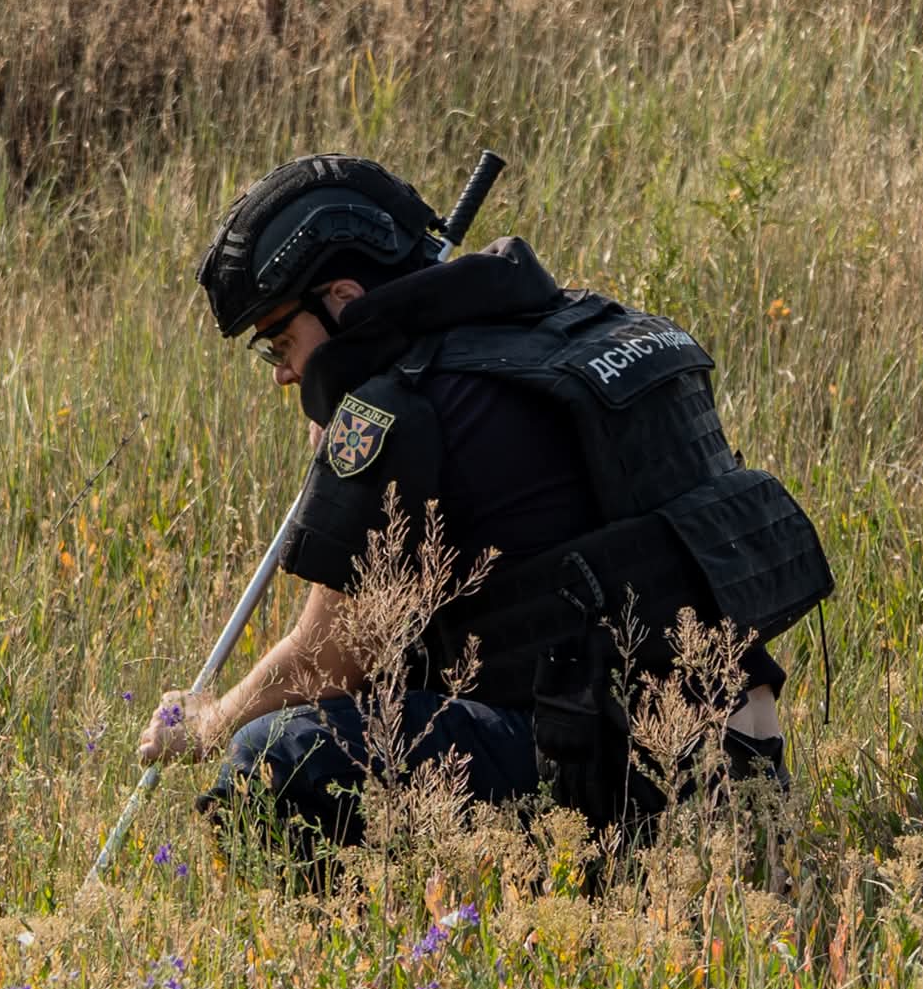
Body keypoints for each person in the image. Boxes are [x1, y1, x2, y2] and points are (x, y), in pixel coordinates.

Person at [136, 152, 831, 874]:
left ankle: (390, 931)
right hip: (738, 757)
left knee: (275, 756)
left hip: (601, 782)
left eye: (282, 342)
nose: (284, 372)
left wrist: (210, 721)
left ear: (343, 298)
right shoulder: (586, 335)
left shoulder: (396, 409)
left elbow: (328, 658)